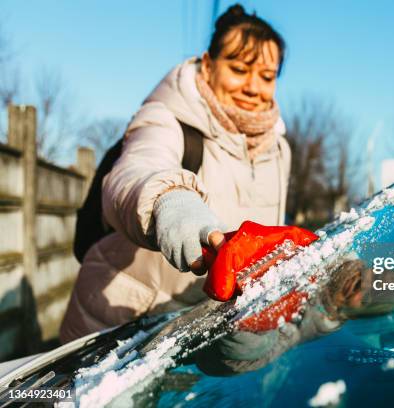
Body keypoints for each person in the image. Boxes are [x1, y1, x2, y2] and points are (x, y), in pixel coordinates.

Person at [60, 4, 290, 343]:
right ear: (208, 65)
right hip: (121, 332)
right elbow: (138, 168)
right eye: (239, 69)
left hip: (204, 341)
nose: (254, 87)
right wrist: (172, 202)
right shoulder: (167, 118)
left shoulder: (280, 151)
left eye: (267, 77)